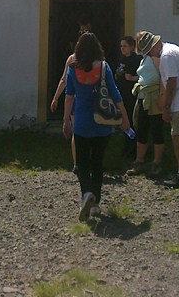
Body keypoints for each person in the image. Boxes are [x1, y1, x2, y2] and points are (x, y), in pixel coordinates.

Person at [63, 32, 130, 220]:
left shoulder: (72, 68)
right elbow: (115, 93)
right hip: (102, 121)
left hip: (82, 121)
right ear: (97, 48)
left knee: (82, 163)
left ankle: (86, 194)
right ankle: (96, 204)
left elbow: (69, 96)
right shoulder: (103, 67)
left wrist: (66, 120)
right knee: (97, 162)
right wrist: (124, 118)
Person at [136, 31, 179, 189]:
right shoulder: (171, 49)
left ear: (153, 47)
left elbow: (172, 82)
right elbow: (167, 82)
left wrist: (166, 106)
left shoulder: (166, 56)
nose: (151, 54)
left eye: (148, 51)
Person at [50, 17, 92, 172]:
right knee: (90, 129)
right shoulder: (98, 59)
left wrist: (55, 97)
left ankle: (77, 163)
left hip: (76, 98)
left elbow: (64, 80)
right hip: (90, 98)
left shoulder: (72, 59)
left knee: (78, 130)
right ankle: (86, 161)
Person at [126, 30, 165, 177]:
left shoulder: (156, 58)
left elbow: (163, 77)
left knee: (156, 130)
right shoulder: (144, 58)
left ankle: (157, 162)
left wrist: (162, 97)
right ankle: (140, 161)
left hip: (154, 97)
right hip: (143, 97)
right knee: (141, 129)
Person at [115, 36, 141, 158]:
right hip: (122, 94)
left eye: (125, 46)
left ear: (132, 47)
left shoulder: (137, 60)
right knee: (124, 121)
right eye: (121, 46)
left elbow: (142, 77)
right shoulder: (122, 59)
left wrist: (132, 78)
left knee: (131, 121)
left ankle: (133, 149)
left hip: (132, 95)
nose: (122, 49)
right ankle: (127, 145)